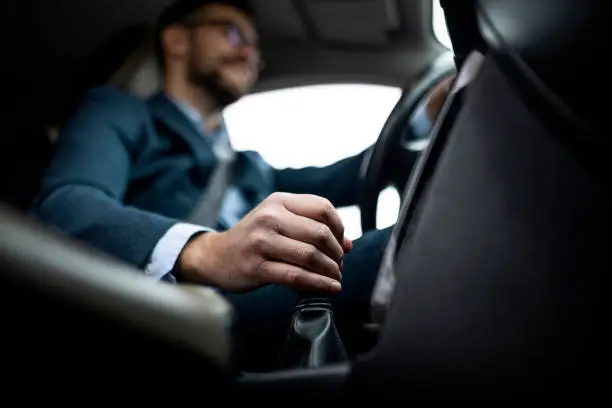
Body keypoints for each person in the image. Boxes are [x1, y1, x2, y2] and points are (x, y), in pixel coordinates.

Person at [30, 0, 448, 370]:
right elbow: (65, 203)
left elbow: (345, 177)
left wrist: (424, 119)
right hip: (168, 310)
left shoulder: (249, 166)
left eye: (254, 45)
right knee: (422, 243)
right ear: (176, 40)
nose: (249, 51)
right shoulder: (119, 111)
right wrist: (205, 250)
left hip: (256, 300)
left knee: (406, 241)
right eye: (232, 33)